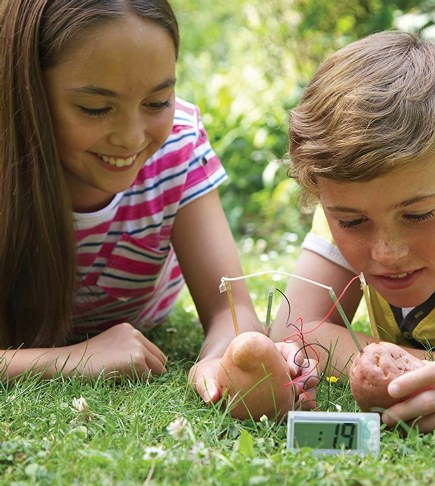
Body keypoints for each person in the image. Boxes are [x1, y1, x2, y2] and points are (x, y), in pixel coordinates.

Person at [0, 0, 307, 409]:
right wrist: (71, 359)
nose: (130, 138)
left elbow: (229, 311)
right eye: (95, 108)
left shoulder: (176, 146)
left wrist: (221, 359)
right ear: (25, 89)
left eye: (157, 101)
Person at [271, 31, 435, 433]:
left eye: (419, 215)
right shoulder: (352, 199)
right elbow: (296, 328)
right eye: (352, 223)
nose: (387, 251)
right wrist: (430, 372)